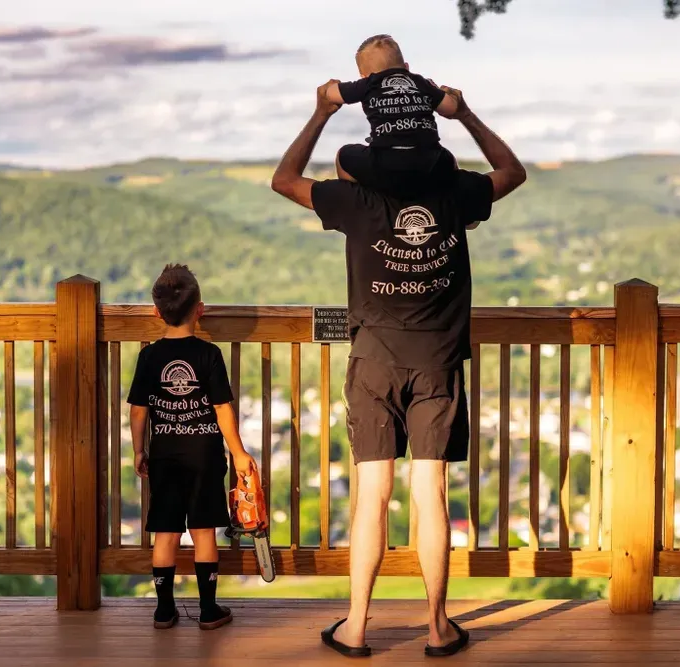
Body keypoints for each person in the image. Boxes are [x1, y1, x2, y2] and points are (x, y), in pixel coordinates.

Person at [271, 81, 526, 657]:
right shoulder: (456, 194)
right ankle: (437, 628)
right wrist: (466, 114)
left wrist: (321, 112)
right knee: (429, 495)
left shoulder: (355, 202)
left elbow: (285, 179)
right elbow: (512, 172)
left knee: (371, 496)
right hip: (438, 362)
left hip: (374, 362)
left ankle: (357, 626)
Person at [127, 264, 256, 631]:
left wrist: (139, 450)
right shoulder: (209, 354)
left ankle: (164, 610)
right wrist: (238, 452)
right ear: (200, 309)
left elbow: (138, 410)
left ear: (156, 312)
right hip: (204, 456)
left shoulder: (149, 356)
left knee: (165, 532)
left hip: (165, 455)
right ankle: (208, 609)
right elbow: (222, 409)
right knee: (203, 531)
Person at [324, 34, 459, 198]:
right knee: (449, 159)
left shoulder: (369, 83)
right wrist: (441, 92)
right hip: (430, 162)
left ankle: (360, 202)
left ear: (364, 76)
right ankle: (450, 203)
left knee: (344, 156)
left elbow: (331, 94)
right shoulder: (421, 82)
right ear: (406, 67)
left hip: (385, 164)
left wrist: (334, 86)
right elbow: (451, 109)